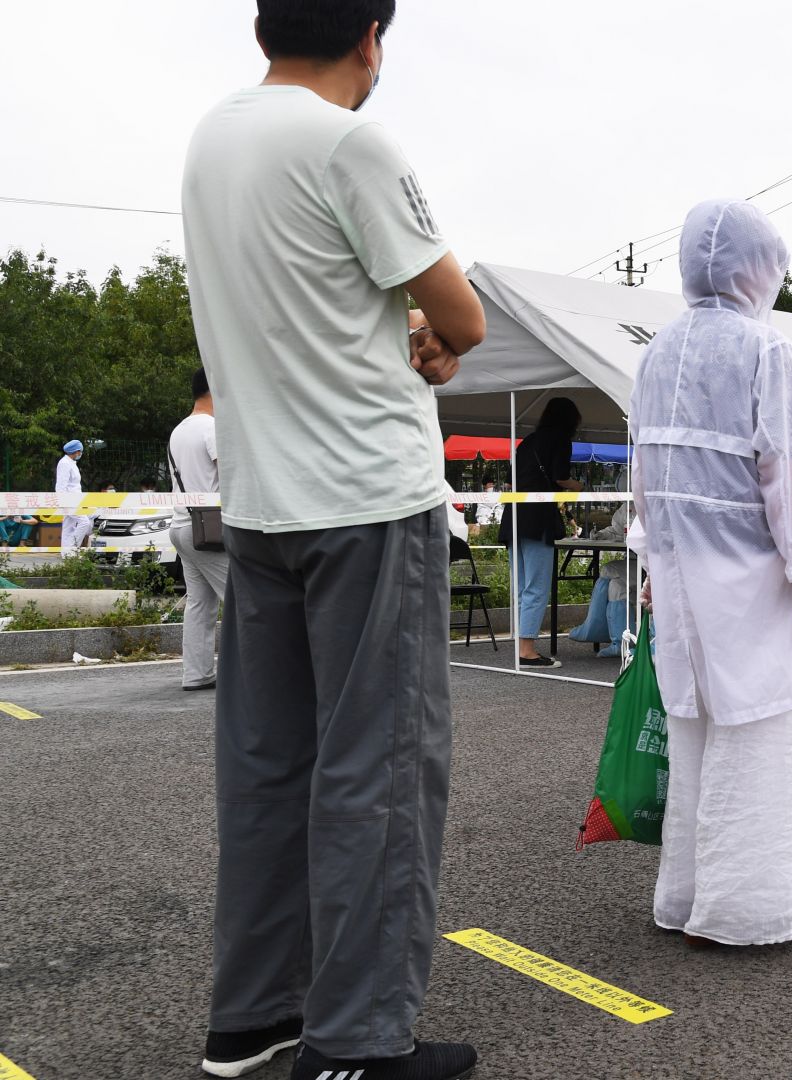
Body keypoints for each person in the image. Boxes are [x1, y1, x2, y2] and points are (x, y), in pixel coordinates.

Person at [180, 2, 487, 1076]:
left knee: (269, 766)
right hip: (365, 497)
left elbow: (301, 306)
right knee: (382, 766)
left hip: (262, 503)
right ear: (368, 36)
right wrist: (431, 339)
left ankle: (252, 1016)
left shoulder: (213, 139)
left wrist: (401, 331)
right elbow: (464, 315)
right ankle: (358, 1042)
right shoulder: (349, 139)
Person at [629, 199, 792, 946]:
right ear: (759, 269)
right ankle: (749, 912)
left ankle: (683, 896)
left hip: (680, 574)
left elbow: (644, 474)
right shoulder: (764, 350)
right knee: (759, 739)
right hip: (752, 582)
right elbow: (788, 476)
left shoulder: (654, 352)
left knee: (693, 735)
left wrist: (653, 559)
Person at [506, 397, 582, 668]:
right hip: (538, 518)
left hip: (514, 516)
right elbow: (561, 476)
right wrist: (579, 486)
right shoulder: (560, 439)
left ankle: (520, 645)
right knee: (536, 587)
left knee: (522, 585)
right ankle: (527, 651)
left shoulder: (527, 441)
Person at [167, 368, 226, 693]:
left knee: (200, 604)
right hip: (210, 530)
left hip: (182, 527)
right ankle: (249, 675)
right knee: (242, 599)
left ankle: (197, 673)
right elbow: (230, 476)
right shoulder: (212, 428)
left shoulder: (179, 430)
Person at [566, 504, 630, 659]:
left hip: (653, 564)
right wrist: (601, 534)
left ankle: (592, 627)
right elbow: (617, 530)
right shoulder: (628, 505)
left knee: (608, 570)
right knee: (616, 586)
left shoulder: (656, 500)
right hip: (635, 560)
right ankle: (622, 644)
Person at [56, 439, 90, 554]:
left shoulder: (71, 463)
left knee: (68, 527)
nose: (81, 454)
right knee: (85, 522)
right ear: (76, 451)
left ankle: (66, 555)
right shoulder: (65, 463)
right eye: (80, 451)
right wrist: (64, 502)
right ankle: (71, 549)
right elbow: (61, 485)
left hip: (75, 500)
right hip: (69, 501)